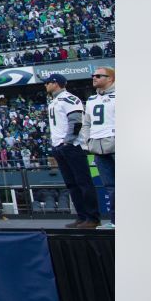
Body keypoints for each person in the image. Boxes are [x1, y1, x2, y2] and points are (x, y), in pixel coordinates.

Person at [46, 74, 100, 228]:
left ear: (56, 83)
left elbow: (76, 121)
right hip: (60, 146)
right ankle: (82, 216)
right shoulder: (54, 101)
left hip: (72, 146)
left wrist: (67, 142)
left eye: (48, 82)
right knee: (71, 184)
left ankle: (93, 217)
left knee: (83, 182)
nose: (46, 85)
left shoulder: (69, 98)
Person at [84, 67, 116, 228]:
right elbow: (86, 123)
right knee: (110, 187)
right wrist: (87, 142)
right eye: (93, 75)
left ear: (110, 78)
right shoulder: (91, 100)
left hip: (114, 143)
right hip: (98, 147)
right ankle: (115, 221)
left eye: (98, 75)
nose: (94, 78)